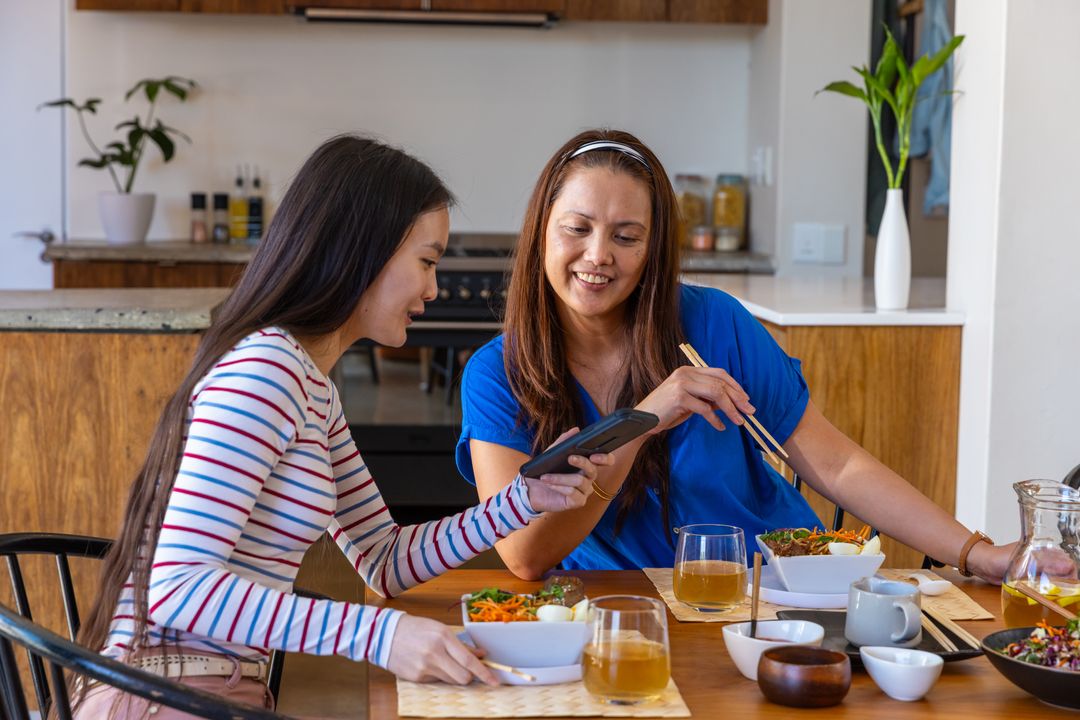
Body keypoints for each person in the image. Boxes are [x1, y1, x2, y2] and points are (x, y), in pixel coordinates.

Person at [74, 135, 611, 718]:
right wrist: (381, 635)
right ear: (363, 251)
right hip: (164, 698)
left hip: (220, 692)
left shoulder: (311, 386)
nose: (432, 288)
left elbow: (383, 558)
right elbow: (178, 587)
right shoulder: (266, 372)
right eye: (426, 262)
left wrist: (521, 501)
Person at [457, 128, 1015, 584]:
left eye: (627, 237)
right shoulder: (496, 373)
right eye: (577, 229)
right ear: (541, 232)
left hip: (773, 591)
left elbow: (838, 466)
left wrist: (975, 554)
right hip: (626, 613)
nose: (597, 255)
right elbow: (524, 557)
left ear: (653, 249)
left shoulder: (714, 323)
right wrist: (642, 420)